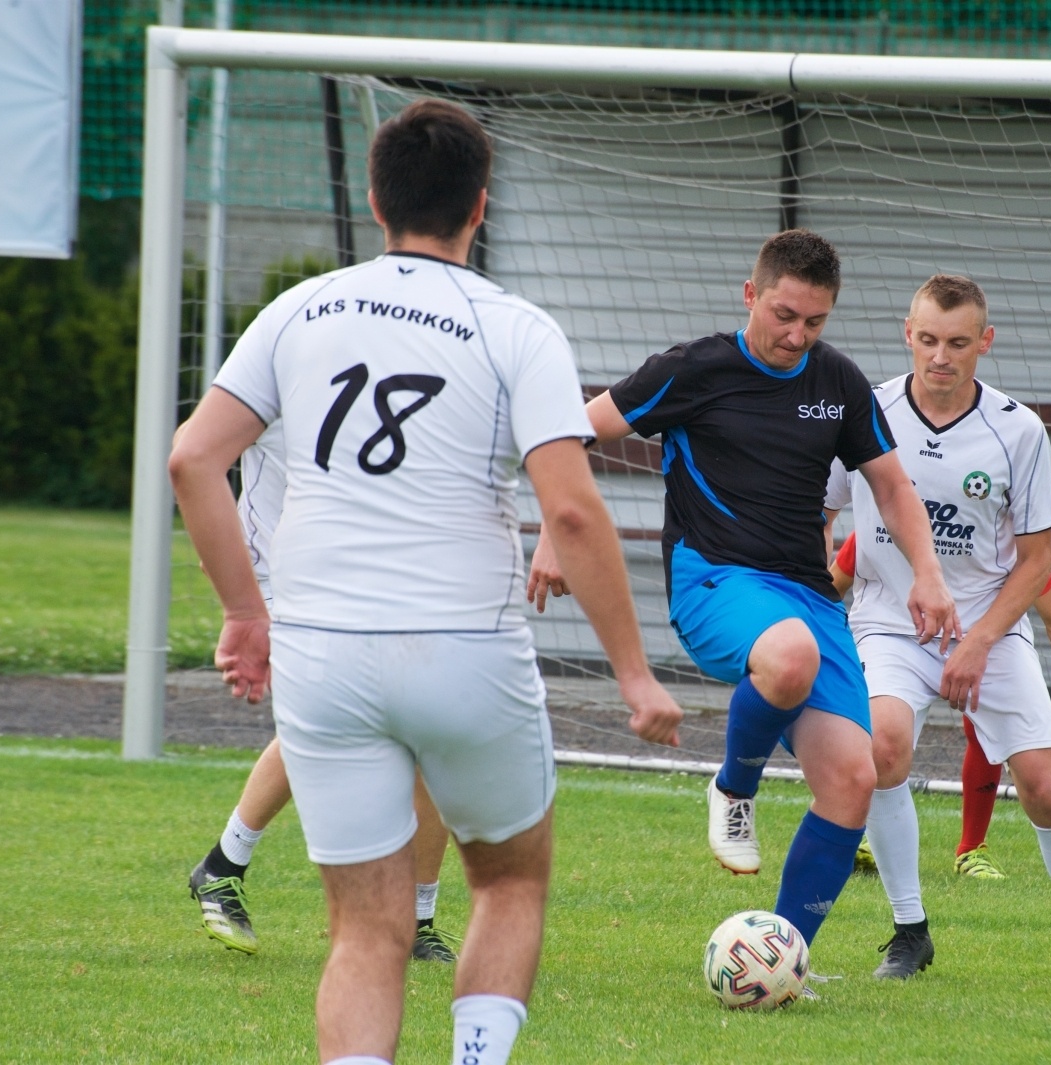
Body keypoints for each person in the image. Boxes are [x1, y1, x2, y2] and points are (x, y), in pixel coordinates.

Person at [169, 98, 683, 1065]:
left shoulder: (299, 308)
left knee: (365, 930)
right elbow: (571, 511)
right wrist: (634, 675)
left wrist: (246, 612)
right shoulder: (516, 327)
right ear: (480, 206)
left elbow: (194, 459)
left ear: (375, 200)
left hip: (323, 655)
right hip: (463, 647)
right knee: (509, 882)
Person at [526, 230, 958, 958]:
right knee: (788, 656)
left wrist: (930, 571)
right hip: (714, 580)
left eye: (815, 322)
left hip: (810, 598)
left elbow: (889, 483)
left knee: (856, 776)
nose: (797, 335)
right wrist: (549, 531)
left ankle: (782, 959)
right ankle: (734, 786)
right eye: (785, 315)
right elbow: (574, 434)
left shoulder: (838, 383)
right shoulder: (694, 369)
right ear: (751, 294)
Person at [822, 274, 1051, 988]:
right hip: (889, 625)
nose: (940, 356)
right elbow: (821, 509)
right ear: (907, 333)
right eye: (927, 339)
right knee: (881, 744)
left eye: (957, 342)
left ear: (983, 343)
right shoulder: (866, 412)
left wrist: (981, 641)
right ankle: (909, 932)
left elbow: (1037, 564)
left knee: (1047, 787)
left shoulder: (1018, 430)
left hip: (990, 629)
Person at [186, 422, 461, 963]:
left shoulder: (390, 362)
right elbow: (194, 453)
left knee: (430, 734)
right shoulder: (280, 355)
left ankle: (414, 919)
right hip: (281, 582)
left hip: (367, 579)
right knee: (330, 717)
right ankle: (223, 867)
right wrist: (220, 546)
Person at [830, 538, 1051, 880]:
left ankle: (971, 848)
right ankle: (866, 836)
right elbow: (829, 588)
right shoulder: (881, 521)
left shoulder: (1003, 539)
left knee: (999, 740)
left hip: (983, 647)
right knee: (882, 736)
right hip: (899, 643)